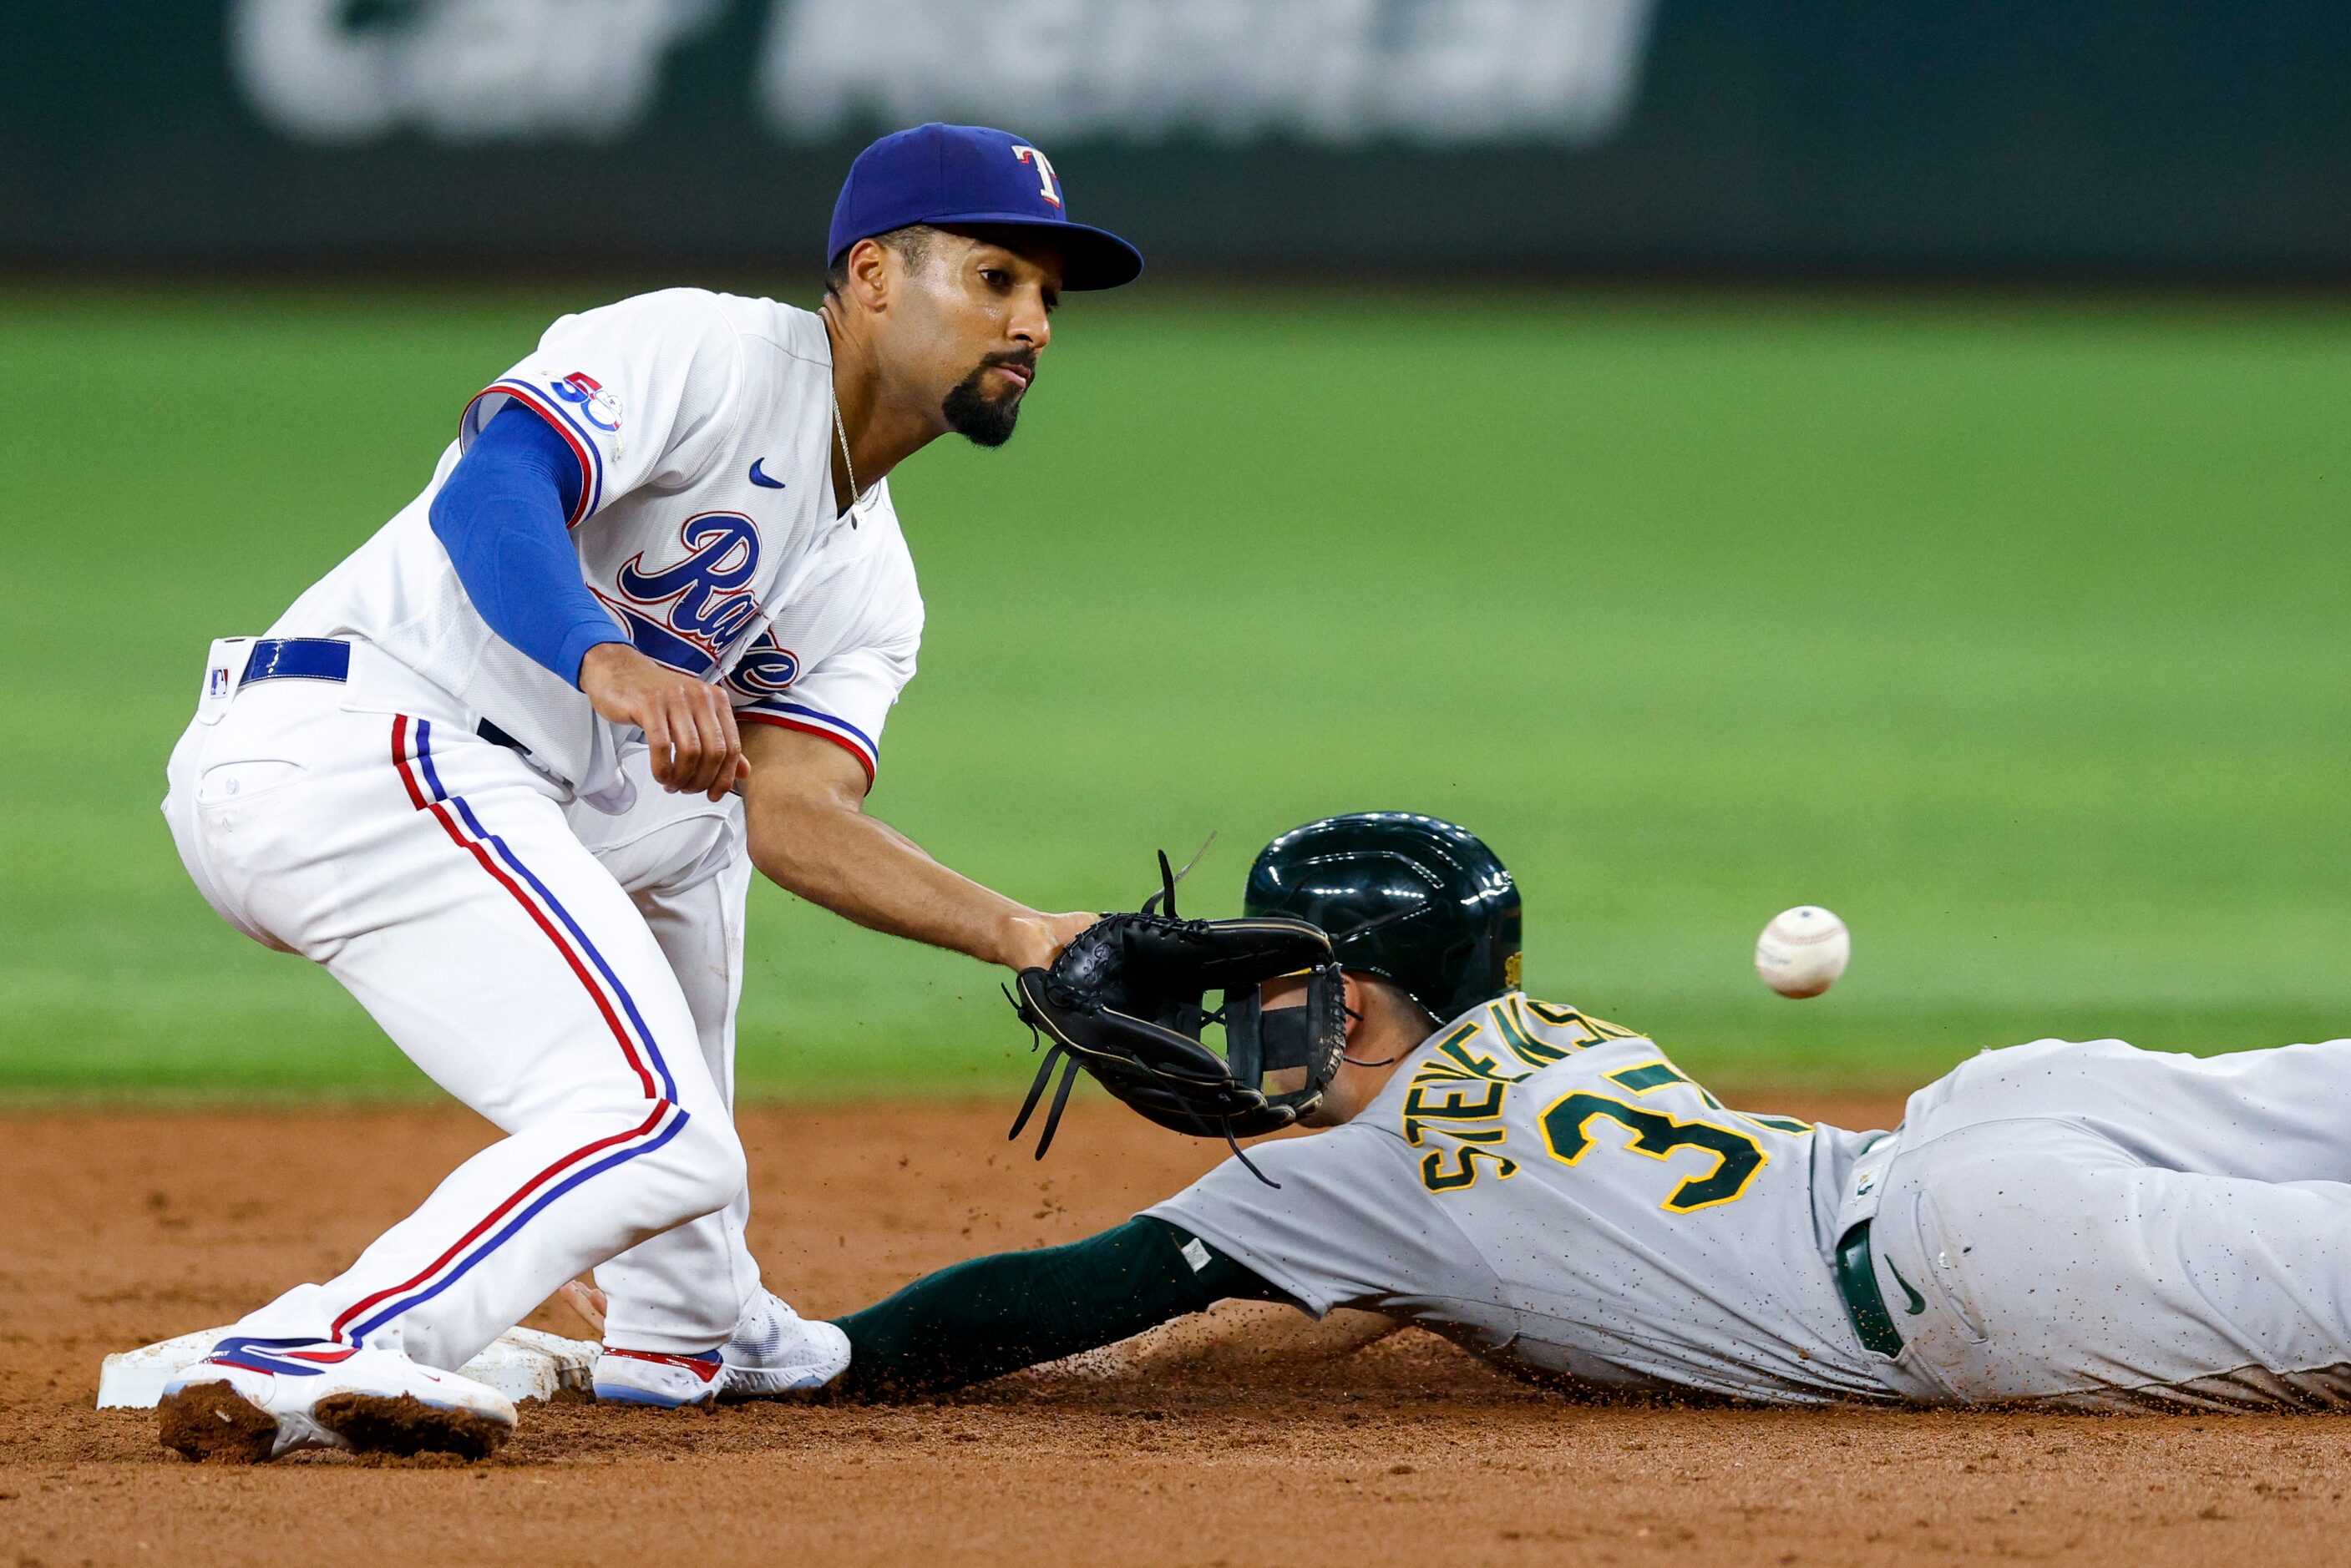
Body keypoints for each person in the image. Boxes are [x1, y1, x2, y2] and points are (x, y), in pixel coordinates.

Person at [154, 123, 1143, 1463]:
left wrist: (1025, 932)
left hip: (465, 784)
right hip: (351, 740)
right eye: (994, 277)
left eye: (1047, 298)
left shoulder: (871, 587)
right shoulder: (708, 351)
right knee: (657, 1128)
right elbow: (495, 489)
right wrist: (601, 655)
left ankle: (682, 1317)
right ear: (870, 277)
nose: (1031, 322)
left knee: (699, 831)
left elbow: (797, 817)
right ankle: (322, 1343)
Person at [823, 812, 2351, 1414]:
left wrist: (827, 1359)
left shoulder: (1355, 1179)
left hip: (2001, 1265)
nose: (1250, 1010)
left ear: (1352, 1004)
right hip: (1998, 1118)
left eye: (1284, 981)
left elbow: (1047, 1302)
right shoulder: (1558, 1035)